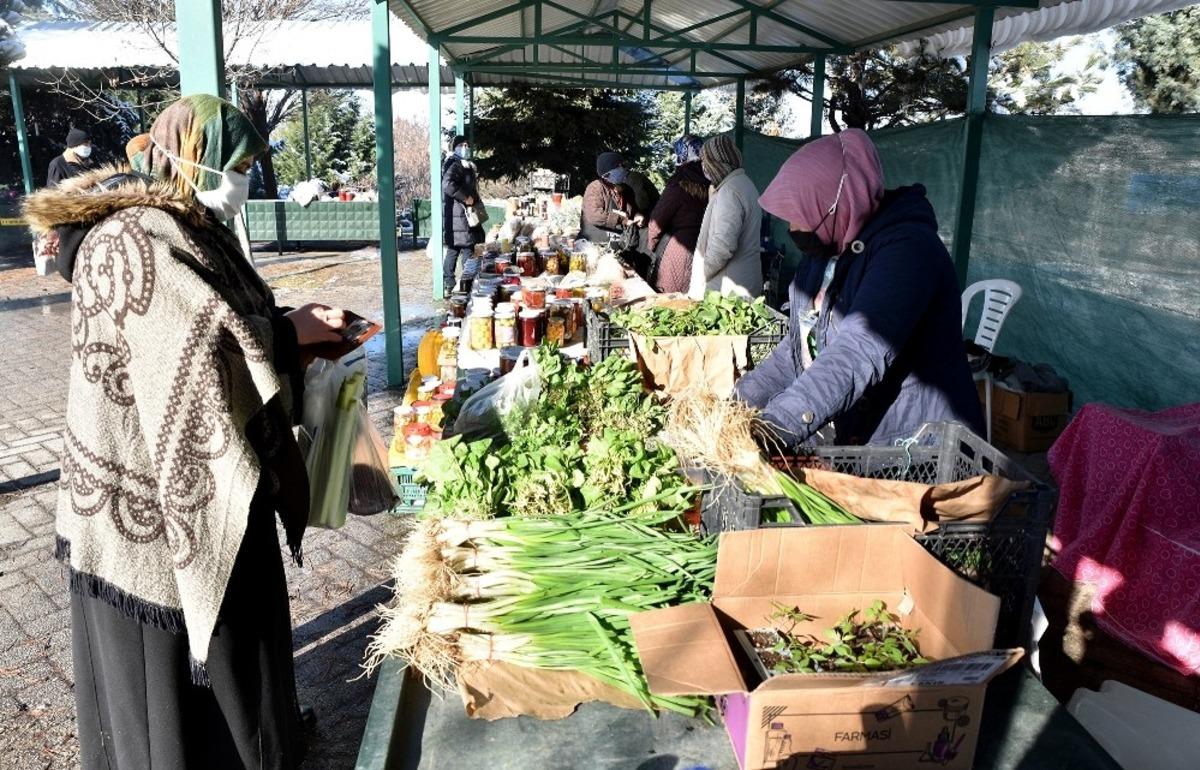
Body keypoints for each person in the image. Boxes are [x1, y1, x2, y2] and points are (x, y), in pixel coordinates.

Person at [23, 94, 347, 769]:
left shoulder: (183, 225)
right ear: (194, 157)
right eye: (237, 164)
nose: (245, 180)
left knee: (234, 673)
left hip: (209, 474)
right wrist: (288, 336)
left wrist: (293, 334)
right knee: (169, 700)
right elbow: (187, 360)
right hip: (153, 507)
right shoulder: (135, 235)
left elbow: (214, 322)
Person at [736, 129, 985, 447]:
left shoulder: (908, 252)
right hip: (861, 433)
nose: (793, 229)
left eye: (802, 216)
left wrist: (777, 426)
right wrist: (737, 403)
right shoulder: (827, 245)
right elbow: (796, 348)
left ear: (837, 203)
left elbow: (856, 352)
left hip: (916, 445)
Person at [688, 135, 762, 299]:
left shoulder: (730, 192)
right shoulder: (744, 183)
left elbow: (722, 246)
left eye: (706, 162)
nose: (704, 168)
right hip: (743, 283)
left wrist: (700, 276)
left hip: (729, 291)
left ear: (717, 163)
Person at [648, 135, 709, 293]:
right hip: (704, 248)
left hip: (678, 250)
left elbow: (657, 220)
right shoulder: (712, 182)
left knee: (671, 299)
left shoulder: (679, 182)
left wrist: (651, 246)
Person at [581, 151, 657, 249]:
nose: (624, 169)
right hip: (594, 243)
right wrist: (621, 219)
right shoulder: (595, 187)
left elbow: (631, 211)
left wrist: (638, 215)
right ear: (607, 175)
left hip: (617, 241)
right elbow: (594, 215)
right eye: (621, 166)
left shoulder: (624, 188)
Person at [441, 134, 484, 296]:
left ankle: (451, 284)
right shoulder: (455, 164)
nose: (466, 147)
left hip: (460, 214)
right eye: (462, 145)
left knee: (455, 248)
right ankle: (463, 284)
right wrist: (465, 197)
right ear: (456, 147)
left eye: (467, 144)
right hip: (459, 214)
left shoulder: (463, 165)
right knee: (465, 247)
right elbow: (447, 185)